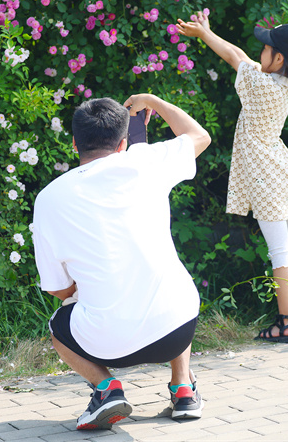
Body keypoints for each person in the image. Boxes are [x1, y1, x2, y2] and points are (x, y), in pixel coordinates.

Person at [32, 94, 211, 430]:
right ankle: (183, 388)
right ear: (124, 142)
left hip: (106, 345)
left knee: (59, 325)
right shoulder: (146, 162)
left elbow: (58, 289)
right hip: (177, 330)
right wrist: (153, 101)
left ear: (74, 143)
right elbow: (200, 135)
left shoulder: (49, 199)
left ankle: (106, 388)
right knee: (170, 284)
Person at [176, 13, 288, 342]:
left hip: (264, 173)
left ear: (279, 58)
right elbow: (244, 58)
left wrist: (204, 35)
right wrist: (207, 32)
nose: (261, 53)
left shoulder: (261, 85)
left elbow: (235, 57)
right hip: (282, 169)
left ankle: (286, 323)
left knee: (279, 252)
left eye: (267, 48)